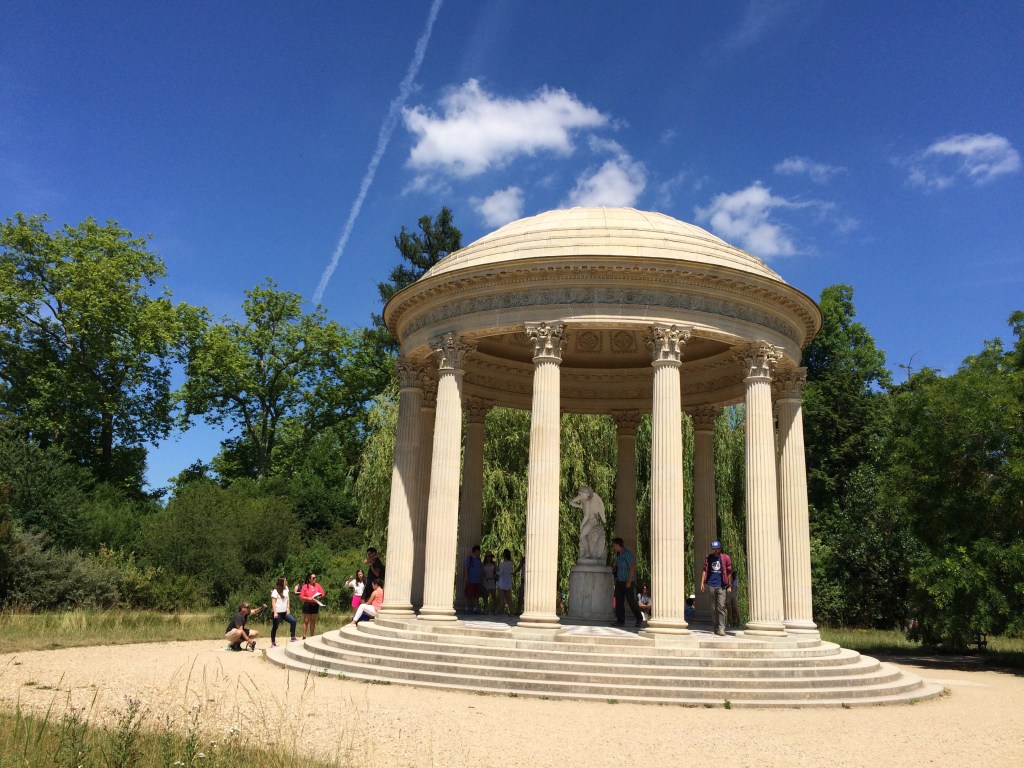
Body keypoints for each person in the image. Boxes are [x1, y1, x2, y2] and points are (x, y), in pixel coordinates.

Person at [700, 540, 734, 636]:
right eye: (714, 549)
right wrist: (702, 582)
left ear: (720, 548)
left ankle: (721, 628)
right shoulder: (709, 558)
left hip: (721, 586)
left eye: (717, 549)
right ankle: (716, 627)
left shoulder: (725, 558)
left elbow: (729, 572)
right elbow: (704, 570)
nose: (715, 551)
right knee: (713, 608)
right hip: (711, 585)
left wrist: (729, 585)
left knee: (721, 607)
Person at [611, 537, 644, 628]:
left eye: (614, 545)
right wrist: (613, 568)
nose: (613, 547)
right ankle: (620, 621)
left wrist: (629, 580)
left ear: (618, 545)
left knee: (630, 600)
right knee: (619, 601)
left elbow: (632, 566)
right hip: (619, 581)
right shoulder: (618, 554)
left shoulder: (627, 554)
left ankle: (639, 618)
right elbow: (618, 565)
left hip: (627, 581)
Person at [269, 577, 297, 647]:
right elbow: (273, 603)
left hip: (284, 612)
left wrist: (288, 608)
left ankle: (293, 637)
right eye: (285, 581)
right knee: (275, 627)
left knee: (293, 621)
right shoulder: (275, 591)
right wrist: (275, 612)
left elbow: (288, 598)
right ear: (281, 583)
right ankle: (273, 642)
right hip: (277, 612)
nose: (286, 582)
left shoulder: (286, 588)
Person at [299, 572, 326, 639]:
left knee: (313, 621)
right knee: (306, 620)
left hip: (315, 604)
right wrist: (308, 598)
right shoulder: (305, 586)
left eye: (315, 578)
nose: (315, 579)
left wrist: (319, 597)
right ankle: (304, 636)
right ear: (309, 579)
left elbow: (322, 593)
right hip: (307, 604)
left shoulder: (317, 585)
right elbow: (301, 597)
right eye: (313, 578)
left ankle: (311, 636)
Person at [463, 544, 483, 614]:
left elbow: (481, 570)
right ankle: (466, 607)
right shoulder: (469, 558)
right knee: (468, 594)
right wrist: (466, 578)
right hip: (470, 579)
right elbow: (466, 568)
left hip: (477, 580)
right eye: (479, 551)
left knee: (476, 595)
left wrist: (481, 578)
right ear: (476, 551)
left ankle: (475, 608)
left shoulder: (479, 559)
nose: (479, 552)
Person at [496, 549, 514, 615]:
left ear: (504, 555)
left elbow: (500, 573)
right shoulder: (511, 563)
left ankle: (501, 612)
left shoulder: (502, 564)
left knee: (501, 598)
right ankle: (511, 611)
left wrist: (495, 572)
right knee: (508, 598)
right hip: (508, 582)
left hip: (502, 582)